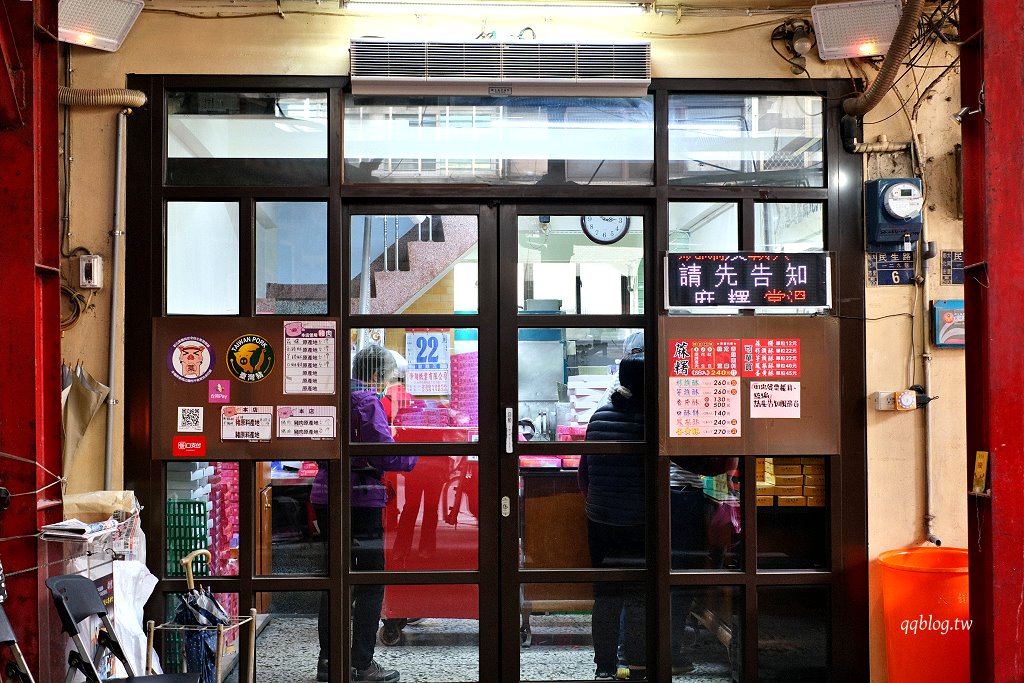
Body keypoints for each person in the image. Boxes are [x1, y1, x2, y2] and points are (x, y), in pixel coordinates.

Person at [311, 344, 417, 683]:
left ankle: (327, 663)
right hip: (359, 500)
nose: (385, 385)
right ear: (374, 375)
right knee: (370, 583)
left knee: (334, 582)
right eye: (385, 378)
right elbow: (383, 454)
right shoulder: (367, 400)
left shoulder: (332, 396)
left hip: (327, 496)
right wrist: (415, 455)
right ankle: (360, 664)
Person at [579, 352, 648, 681]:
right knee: (637, 595)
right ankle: (636, 667)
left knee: (605, 596)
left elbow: (584, 474)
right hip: (637, 521)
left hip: (600, 520)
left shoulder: (598, 415)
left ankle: (604, 667)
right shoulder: (647, 421)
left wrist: (598, 503)